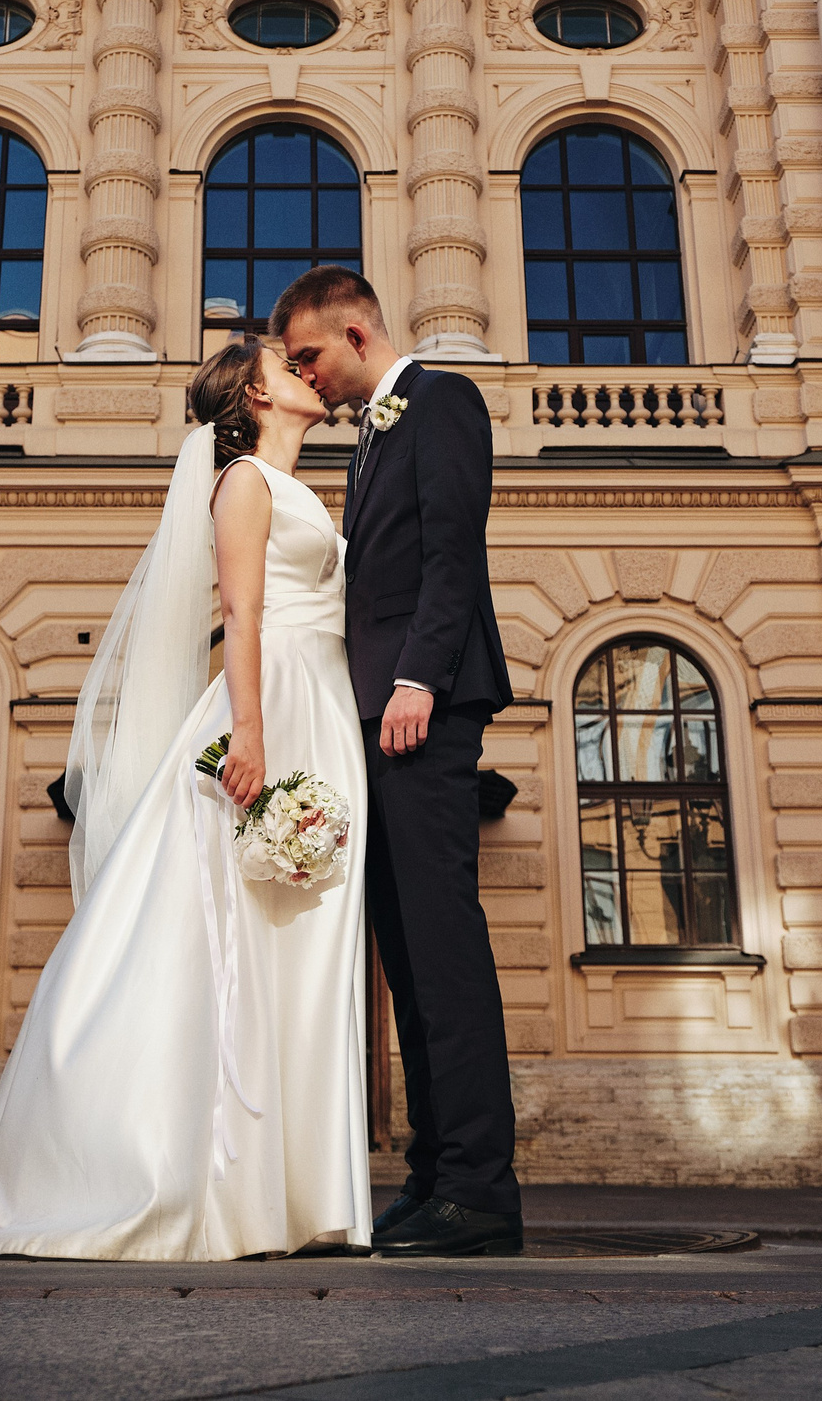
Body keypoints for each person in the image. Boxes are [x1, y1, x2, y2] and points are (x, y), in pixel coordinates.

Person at [0, 342, 372, 1261]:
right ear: (255, 392)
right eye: (285, 363)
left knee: (298, 946)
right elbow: (242, 614)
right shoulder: (244, 483)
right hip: (276, 700)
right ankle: (208, 1184)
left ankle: (294, 1197)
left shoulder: (294, 485)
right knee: (234, 943)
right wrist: (250, 732)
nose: (307, 369)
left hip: (320, 699)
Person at [273, 266, 522, 1260]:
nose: (305, 375)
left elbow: (453, 551)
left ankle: (481, 1189)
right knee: (409, 958)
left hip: (425, 709)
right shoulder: (374, 434)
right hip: (377, 720)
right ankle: (434, 1174)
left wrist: (418, 678)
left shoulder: (440, 401)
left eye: (308, 356)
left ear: (356, 332)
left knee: (443, 948)